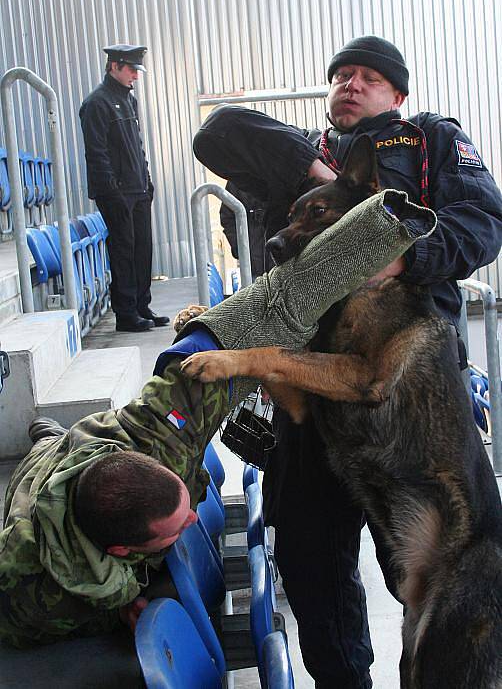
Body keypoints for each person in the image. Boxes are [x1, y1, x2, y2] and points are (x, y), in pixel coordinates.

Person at [192, 35, 502, 688]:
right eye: (341, 76)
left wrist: (400, 252)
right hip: (309, 400)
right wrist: (322, 181)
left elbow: (481, 220)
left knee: (444, 584)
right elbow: (217, 132)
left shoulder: (429, 142)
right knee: (312, 565)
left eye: (367, 77)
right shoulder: (298, 156)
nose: (350, 85)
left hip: (415, 396)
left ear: (398, 94)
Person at [0, 187, 436, 648]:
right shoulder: (36, 601)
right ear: (121, 554)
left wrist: (381, 230)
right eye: (177, 523)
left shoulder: (155, 436)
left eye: (182, 506)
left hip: (84, 446)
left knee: (60, 442)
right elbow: (89, 598)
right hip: (37, 512)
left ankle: (49, 439)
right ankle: (47, 443)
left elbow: (276, 305)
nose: (193, 521)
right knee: (44, 462)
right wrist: (119, 604)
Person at [79, 44, 169, 333]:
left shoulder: (129, 101)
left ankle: (142, 305)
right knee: (124, 250)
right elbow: (97, 153)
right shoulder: (96, 103)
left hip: (138, 188)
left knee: (143, 248)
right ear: (114, 66)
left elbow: (138, 146)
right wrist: (110, 190)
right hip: (116, 191)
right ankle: (126, 313)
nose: (136, 76)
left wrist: (147, 179)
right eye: (131, 69)